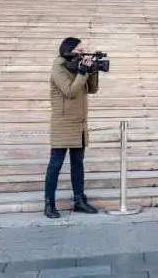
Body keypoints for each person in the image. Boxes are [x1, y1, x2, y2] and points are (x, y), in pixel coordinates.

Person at [44, 37, 99, 219]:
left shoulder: (76, 65)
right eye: (79, 50)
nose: (81, 53)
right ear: (68, 50)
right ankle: (49, 204)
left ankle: (79, 201)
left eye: (82, 51)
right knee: (55, 165)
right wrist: (82, 72)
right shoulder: (59, 66)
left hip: (79, 123)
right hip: (63, 123)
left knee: (78, 165)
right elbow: (70, 91)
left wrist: (92, 70)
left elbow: (92, 89)